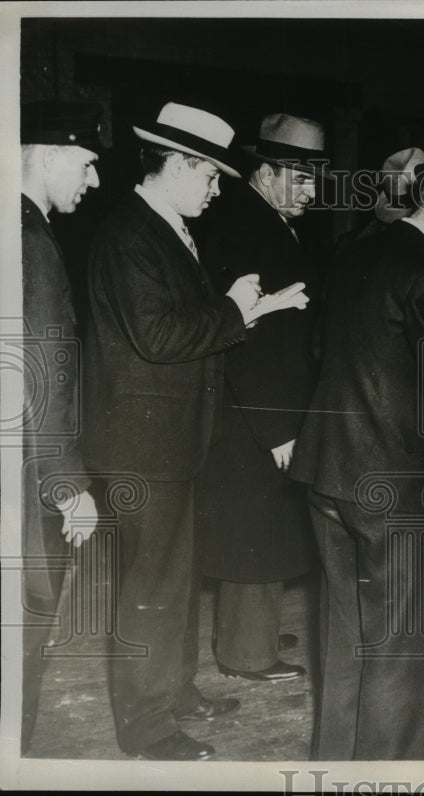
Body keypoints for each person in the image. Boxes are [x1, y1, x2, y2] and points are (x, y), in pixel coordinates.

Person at [84, 102, 309, 761]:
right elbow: (159, 338)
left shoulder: (165, 228)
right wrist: (237, 310)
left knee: (173, 580)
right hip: (141, 445)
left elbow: (183, 325)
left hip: (171, 442)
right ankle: (147, 727)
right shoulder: (131, 235)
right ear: (177, 165)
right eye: (210, 177)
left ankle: (176, 693)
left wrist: (246, 308)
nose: (217, 191)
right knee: (151, 588)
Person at [289, 148, 424, 760]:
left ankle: (335, 764)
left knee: (347, 631)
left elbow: (323, 346)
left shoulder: (355, 253)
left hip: (327, 469)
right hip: (388, 483)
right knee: (402, 642)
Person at [195, 113, 327, 682]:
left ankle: (253, 631)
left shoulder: (259, 216)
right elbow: (251, 340)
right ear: (264, 172)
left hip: (257, 406)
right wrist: (278, 428)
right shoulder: (249, 227)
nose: (311, 191)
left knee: (262, 526)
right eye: (299, 177)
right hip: (255, 410)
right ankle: (248, 653)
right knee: (253, 526)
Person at [19, 99, 103, 754]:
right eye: (86, 162)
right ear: (47, 157)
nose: (94, 179)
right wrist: (68, 484)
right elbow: (42, 373)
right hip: (24, 477)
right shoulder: (32, 243)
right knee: (24, 630)